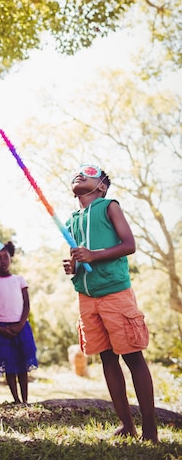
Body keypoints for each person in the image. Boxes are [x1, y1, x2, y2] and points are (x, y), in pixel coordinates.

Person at [63, 164, 158, 442]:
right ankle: (126, 425)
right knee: (106, 358)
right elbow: (81, 257)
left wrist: (94, 255)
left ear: (102, 185)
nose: (79, 174)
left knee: (132, 357)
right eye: (76, 173)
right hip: (86, 296)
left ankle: (150, 430)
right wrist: (74, 265)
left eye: (88, 171)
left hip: (115, 293)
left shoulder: (109, 206)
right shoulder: (72, 220)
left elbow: (129, 245)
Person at [0, 233, 37, 404]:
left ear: (10, 257)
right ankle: (16, 399)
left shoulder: (20, 280)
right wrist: (0, 328)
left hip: (21, 327)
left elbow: (26, 305)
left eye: (5, 257)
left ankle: (25, 400)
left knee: (22, 365)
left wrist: (20, 324)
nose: (2, 261)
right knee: (9, 367)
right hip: (2, 330)